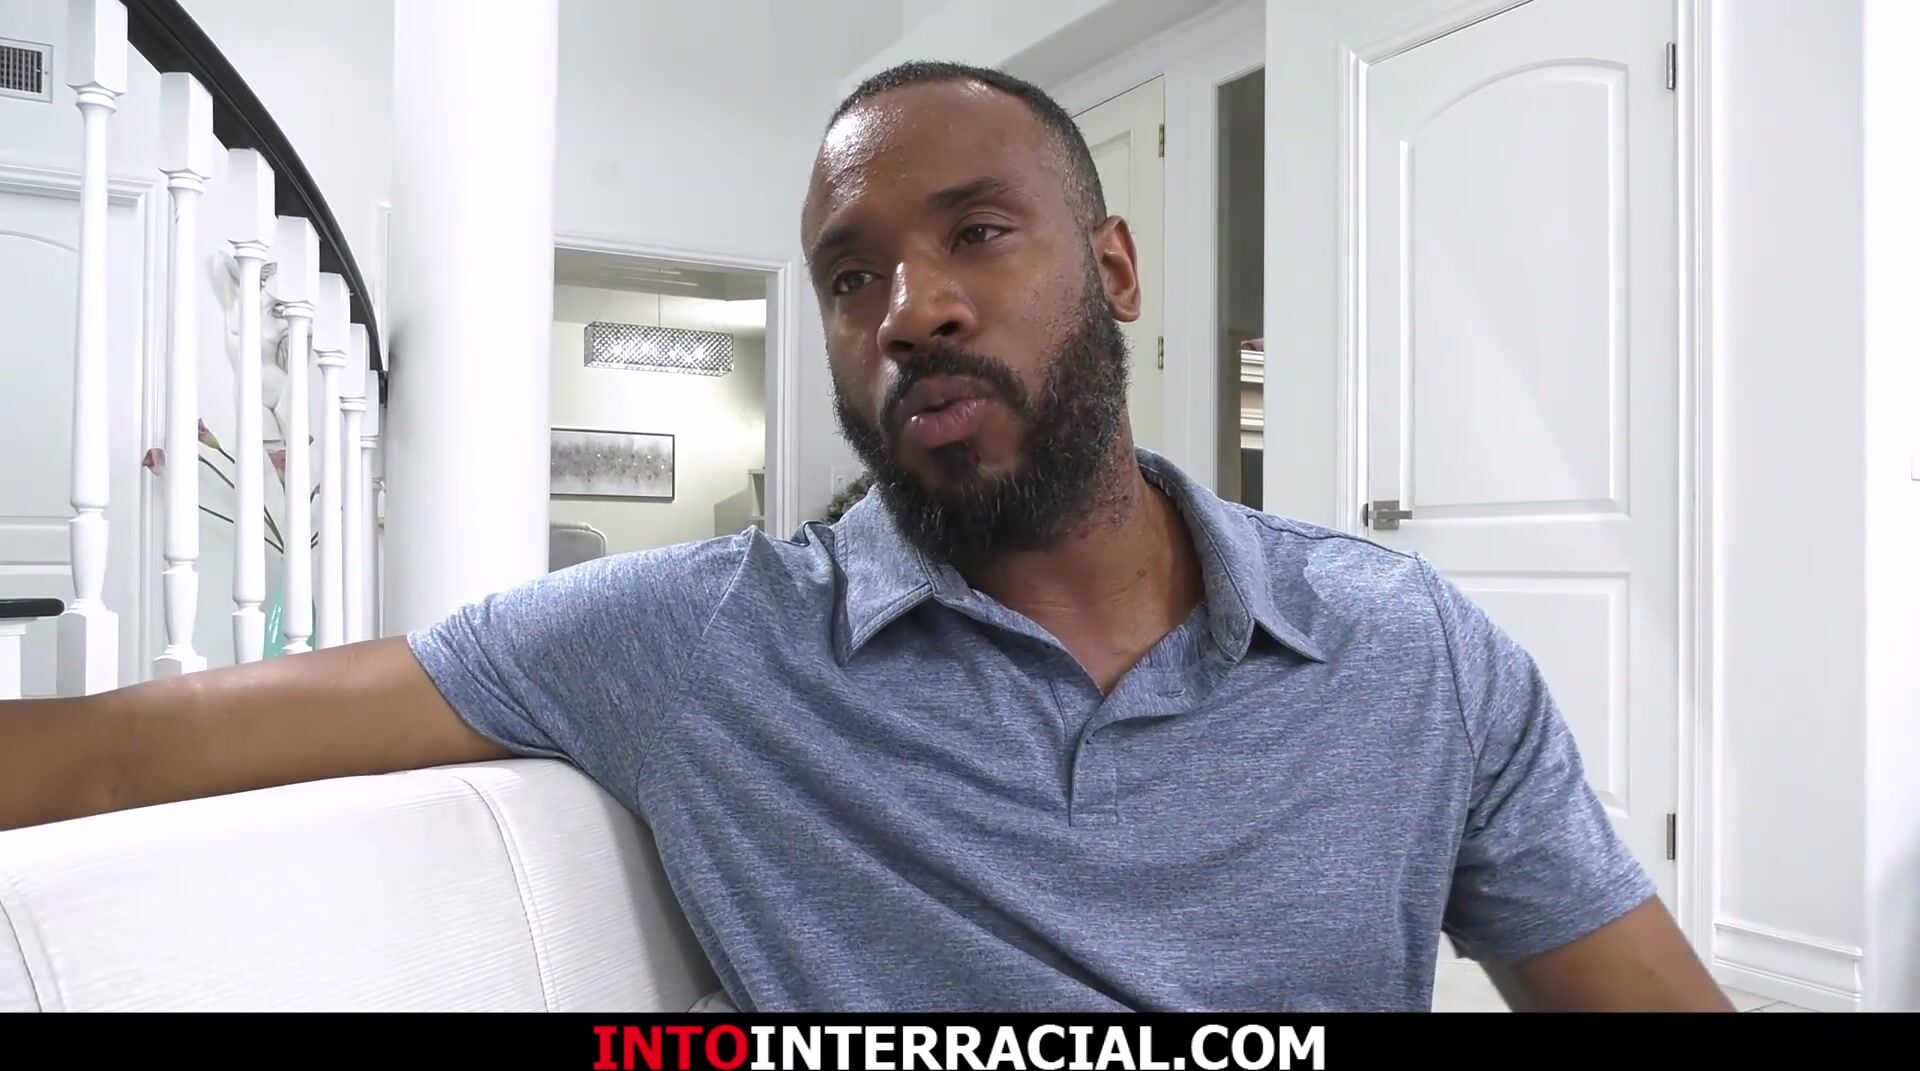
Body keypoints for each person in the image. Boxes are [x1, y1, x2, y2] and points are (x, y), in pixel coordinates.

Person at [0, 60, 1731, 1014]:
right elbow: (135, 747)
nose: (911, 310)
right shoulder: (699, 643)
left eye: (977, 233)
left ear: (1113, 271)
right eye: (851, 276)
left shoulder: (1408, 651)